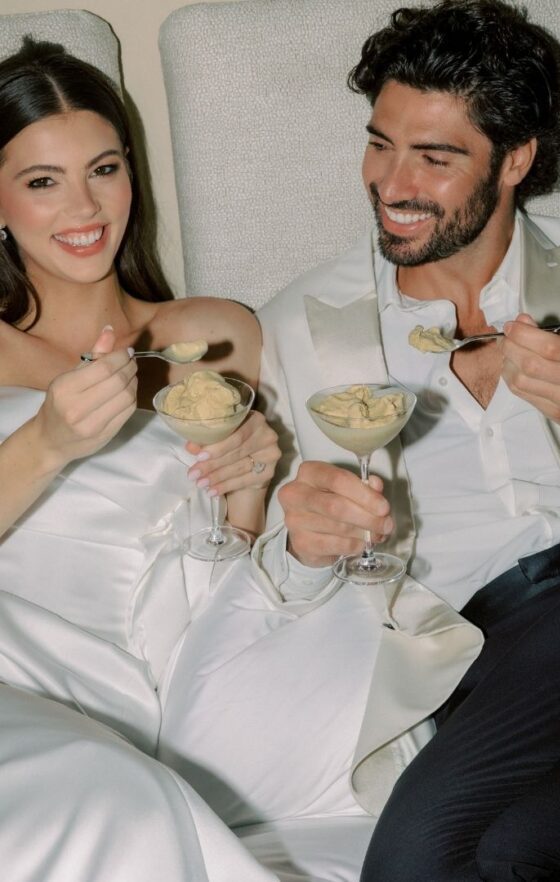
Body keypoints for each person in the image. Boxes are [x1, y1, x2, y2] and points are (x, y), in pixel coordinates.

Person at [0, 39, 372, 879]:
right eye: (42, 181)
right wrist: (48, 442)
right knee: (96, 794)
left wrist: (248, 489)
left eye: (104, 168)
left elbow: (226, 565)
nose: (85, 206)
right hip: (21, 662)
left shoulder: (218, 330)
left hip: (176, 669)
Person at [253, 1, 560, 879]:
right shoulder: (300, 324)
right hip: (465, 650)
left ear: (515, 160)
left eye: (435, 159)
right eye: (380, 144)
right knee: (513, 850)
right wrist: (301, 543)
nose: (392, 184)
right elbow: (273, 570)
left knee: (408, 863)